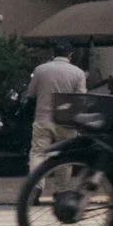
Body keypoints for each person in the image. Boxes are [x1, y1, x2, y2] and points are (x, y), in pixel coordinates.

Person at [24, 41, 90, 172]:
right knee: (65, 156)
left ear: (53, 54)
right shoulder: (78, 73)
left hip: (43, 118)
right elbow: (80, 99)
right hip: (66, 120)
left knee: (38, 153)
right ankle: (62, 189)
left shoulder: (40, 70)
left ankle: (36, 184)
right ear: (70, 55)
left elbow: (31, 94)